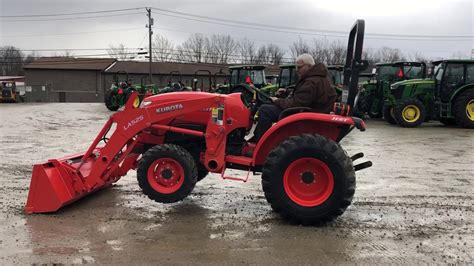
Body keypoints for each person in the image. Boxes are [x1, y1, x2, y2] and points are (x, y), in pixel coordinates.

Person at [251, 53, 337, 143]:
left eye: (299, 67)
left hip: (302, 115)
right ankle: (257, 137)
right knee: (267, 106)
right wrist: (287, 92)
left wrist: (277, 100)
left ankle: (259, 142)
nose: (297, 70)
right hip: (311, 112)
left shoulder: (311, 82)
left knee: (265, 110)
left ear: (309, 66)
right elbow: (306, 96)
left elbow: (295, 104)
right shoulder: (320, 78)